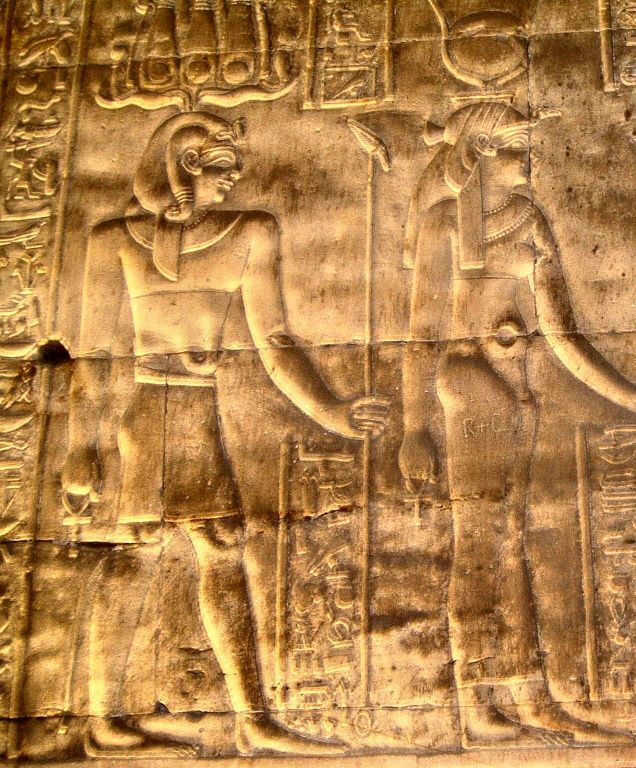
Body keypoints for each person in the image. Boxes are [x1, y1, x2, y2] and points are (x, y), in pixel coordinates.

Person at [62, 111, 389, 757]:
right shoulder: (113, 242)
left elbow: (275, 342)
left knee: (219, 545)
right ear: (186, 165)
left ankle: (250, 718)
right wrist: (81, 447)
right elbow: (92, 358)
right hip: (147, 418)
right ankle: (106, 719)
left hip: (198, 411)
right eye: (223, 169)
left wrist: (331, 410)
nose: (232, 180)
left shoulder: (251, 233)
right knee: (139, 552)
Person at [399, 101, 636, 748]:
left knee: (511, 541)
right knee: (480, 543)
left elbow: (560, 331)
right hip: (470, 388)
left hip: (518, 392)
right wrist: (414, 427)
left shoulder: (529, 220)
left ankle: (529, 694)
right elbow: (421, 334)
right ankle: (476, 701)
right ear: (476, 153)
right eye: (511, 146)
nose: (526, 157)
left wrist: (631, 395)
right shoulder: (445, 225)